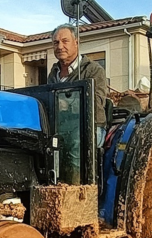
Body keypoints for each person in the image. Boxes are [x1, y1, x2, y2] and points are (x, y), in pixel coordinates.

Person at [48, 23, 108, 184]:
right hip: (61, 128)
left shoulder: (94, 70)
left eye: (65, 41)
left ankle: (76, 195)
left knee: (75, 146)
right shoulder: (53, 74)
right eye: (56, 43)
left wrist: (65, 104)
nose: (60, 46)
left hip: (89, 127)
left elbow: (96, 102)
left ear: (76, 42)